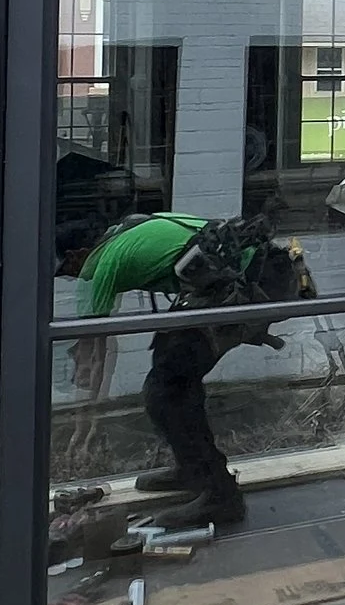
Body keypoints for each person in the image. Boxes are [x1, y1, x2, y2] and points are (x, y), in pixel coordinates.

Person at [75, 210, 314, 528]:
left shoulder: (104, 263)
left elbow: (97, 348)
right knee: (174, 373)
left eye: (68, 269)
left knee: (167, 391)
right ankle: (193, 470)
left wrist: (85, 421)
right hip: (260, 269)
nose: (77, 278)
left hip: (254, 279)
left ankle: (220, 496)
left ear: (80, 253)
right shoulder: (136, 226)